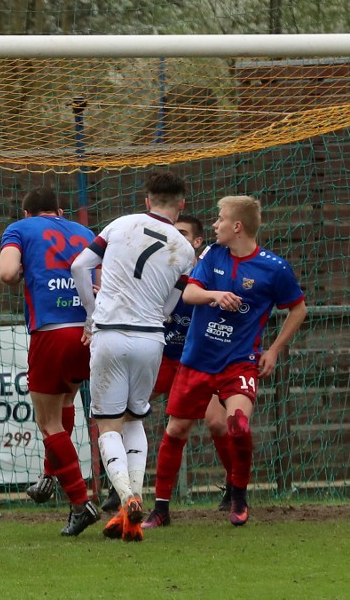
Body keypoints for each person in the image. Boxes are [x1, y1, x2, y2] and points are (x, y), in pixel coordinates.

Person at [143, 195, 307, 529]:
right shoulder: (212, 255)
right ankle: (161, 509)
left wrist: (273, 350)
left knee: (238, 425)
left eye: (220, 219)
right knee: (176, 430)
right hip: (197, 359)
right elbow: (189, 295)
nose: (215, 224)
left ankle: (239, 498)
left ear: (237, 226)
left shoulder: (274, 268)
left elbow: (298, 309)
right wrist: (215, 296)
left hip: (239, 361)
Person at [71, 170, 194, 542]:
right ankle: (135, 503)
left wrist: (92, 316)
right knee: (135, 417)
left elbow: (79, 266)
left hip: (109, 334)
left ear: (147, 201)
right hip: (151, 340)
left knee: (107, 423)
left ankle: (127, 497)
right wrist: (159, 313)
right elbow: (175, 301)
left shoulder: (120, 225)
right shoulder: (186, 249)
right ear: (181, 205)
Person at [99, 215, 235, 513]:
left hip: (198, 360)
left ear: (198, 242)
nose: (174, 239)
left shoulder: (207, 270)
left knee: (216, 422)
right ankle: (118, 485)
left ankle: (234, 485)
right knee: (118, 414)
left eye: (183, 234)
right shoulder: (156, 271)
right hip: (163, 357)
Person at [0, 186, 101, 537]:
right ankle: (49, 474)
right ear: (59, 210)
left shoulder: (19, 229)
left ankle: (79, 500)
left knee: (47, 422)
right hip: (91, 333)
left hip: (52, 330)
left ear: (27, 213)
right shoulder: (85, 232)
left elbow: (7, 273)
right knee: (67, 400)